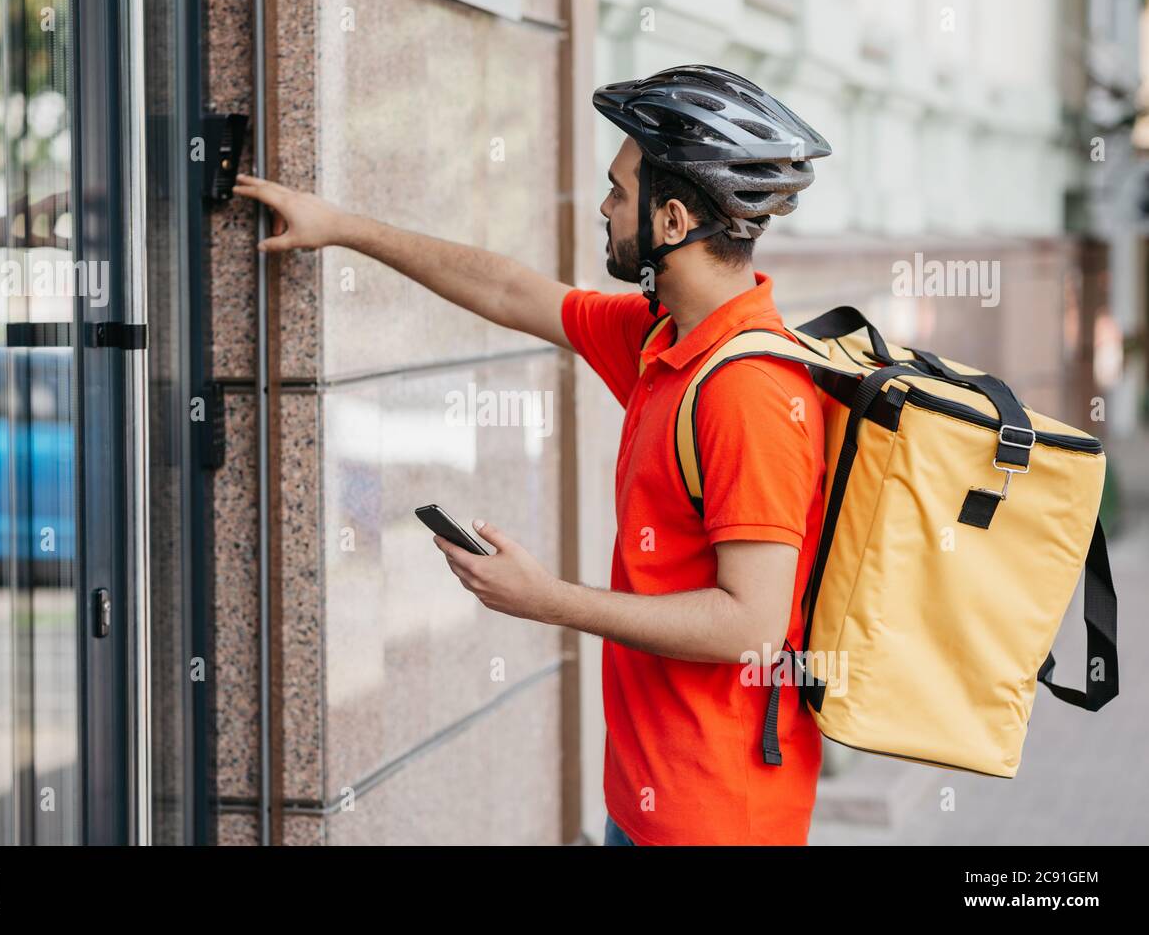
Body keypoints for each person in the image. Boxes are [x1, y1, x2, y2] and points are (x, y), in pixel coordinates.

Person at [233, 64, 832, 846]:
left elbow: (749, 628)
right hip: (649, 796)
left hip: (714, 819)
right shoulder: (667, 340)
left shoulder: (745, 391)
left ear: (674, 219)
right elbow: (514, 292)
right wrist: (345, 227)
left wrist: (543, 597)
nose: (605, 206)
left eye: (620, 191)